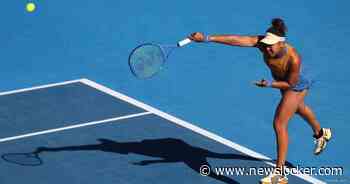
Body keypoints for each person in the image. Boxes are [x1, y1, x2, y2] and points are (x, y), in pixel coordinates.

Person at [188, 18, 332, 183]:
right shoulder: (263, 44)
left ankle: (279, 174)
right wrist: (207, 38)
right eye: (266, 44)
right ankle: (321, 133)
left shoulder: (294, 59)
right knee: (297, 108)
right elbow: (238, 39)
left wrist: (269, 84)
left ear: (282, 44)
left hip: (296, 83)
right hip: (282, 79)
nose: (267, 47)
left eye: (271, 45)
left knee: (279, 123)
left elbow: (290, 84)